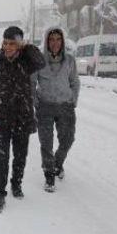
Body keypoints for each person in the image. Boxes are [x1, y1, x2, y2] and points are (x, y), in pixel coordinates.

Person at [0, 26, 46, 213]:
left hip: (23, 117)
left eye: (12, 43)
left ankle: (16, 184)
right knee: (2, 157)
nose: (8, 47)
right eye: (5, 43)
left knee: (20, 155)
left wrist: (26, 46)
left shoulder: (27, 61)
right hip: (1, 117)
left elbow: (41, 62)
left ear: (19, 45)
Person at [33, 26, 80, 192]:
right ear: (46, 41)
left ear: (62, 41)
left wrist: (73, 100)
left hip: (65, 106)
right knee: (46, 143)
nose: (55, 43)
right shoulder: (39, 60)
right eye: (51, 39)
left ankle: (57, 163)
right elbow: (32, 83)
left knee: (68, 140)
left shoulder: (70, 61)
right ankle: (49, 175)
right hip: (45, 106)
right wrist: (35, 101)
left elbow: (75, 82)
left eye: (58, 39)